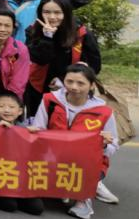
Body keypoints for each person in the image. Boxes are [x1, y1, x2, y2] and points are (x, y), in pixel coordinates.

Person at [31, 64, 120, 218]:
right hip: (53, 158)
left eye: (80, 83)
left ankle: (84, 197)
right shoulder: (49, 100)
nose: (73, 87)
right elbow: (39, 129)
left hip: (86, 163)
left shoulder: (104, 111)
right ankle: (64, 188)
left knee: (83, 174)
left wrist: (105, 144)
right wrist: (32, 131)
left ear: (92, 85)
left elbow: (113, 145)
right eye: (69, 81)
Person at [24, 0, 101, 115]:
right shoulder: (33, 31)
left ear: (67, 12)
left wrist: (64, 80)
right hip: (38, 87)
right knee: (37, 122)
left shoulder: (82, 34)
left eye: (58, 12)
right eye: (46, 12)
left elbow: (95, 66)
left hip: (72, 89)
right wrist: (47, 37)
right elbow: (39, 59)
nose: (52, 17)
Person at [0, 92, 44, 215]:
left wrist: (31, 135)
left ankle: (16, 196)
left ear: (20, 111)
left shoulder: (24, 127)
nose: (6, 110)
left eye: (11, 107)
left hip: (17, 176)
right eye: (1, 106)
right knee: (9, 206)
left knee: (37, 208)